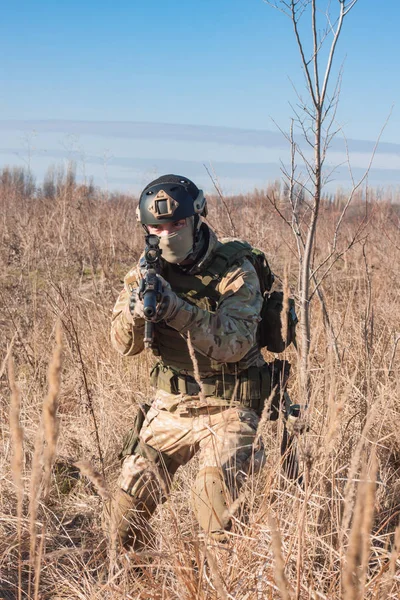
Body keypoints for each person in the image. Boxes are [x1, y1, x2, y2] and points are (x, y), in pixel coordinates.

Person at [108, 174, 272, 550]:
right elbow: (122, 345)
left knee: (214, 503)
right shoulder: (145, 272)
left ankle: (230, 579)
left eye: (177, 224)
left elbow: (235, 343)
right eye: (157, 226)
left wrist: (176, 310)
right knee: (124, 515)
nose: (167, 235)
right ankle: (136, 582)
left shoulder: (235, 268)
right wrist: (137, 311)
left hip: (231, 402)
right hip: (173, 403)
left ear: (197, 219)